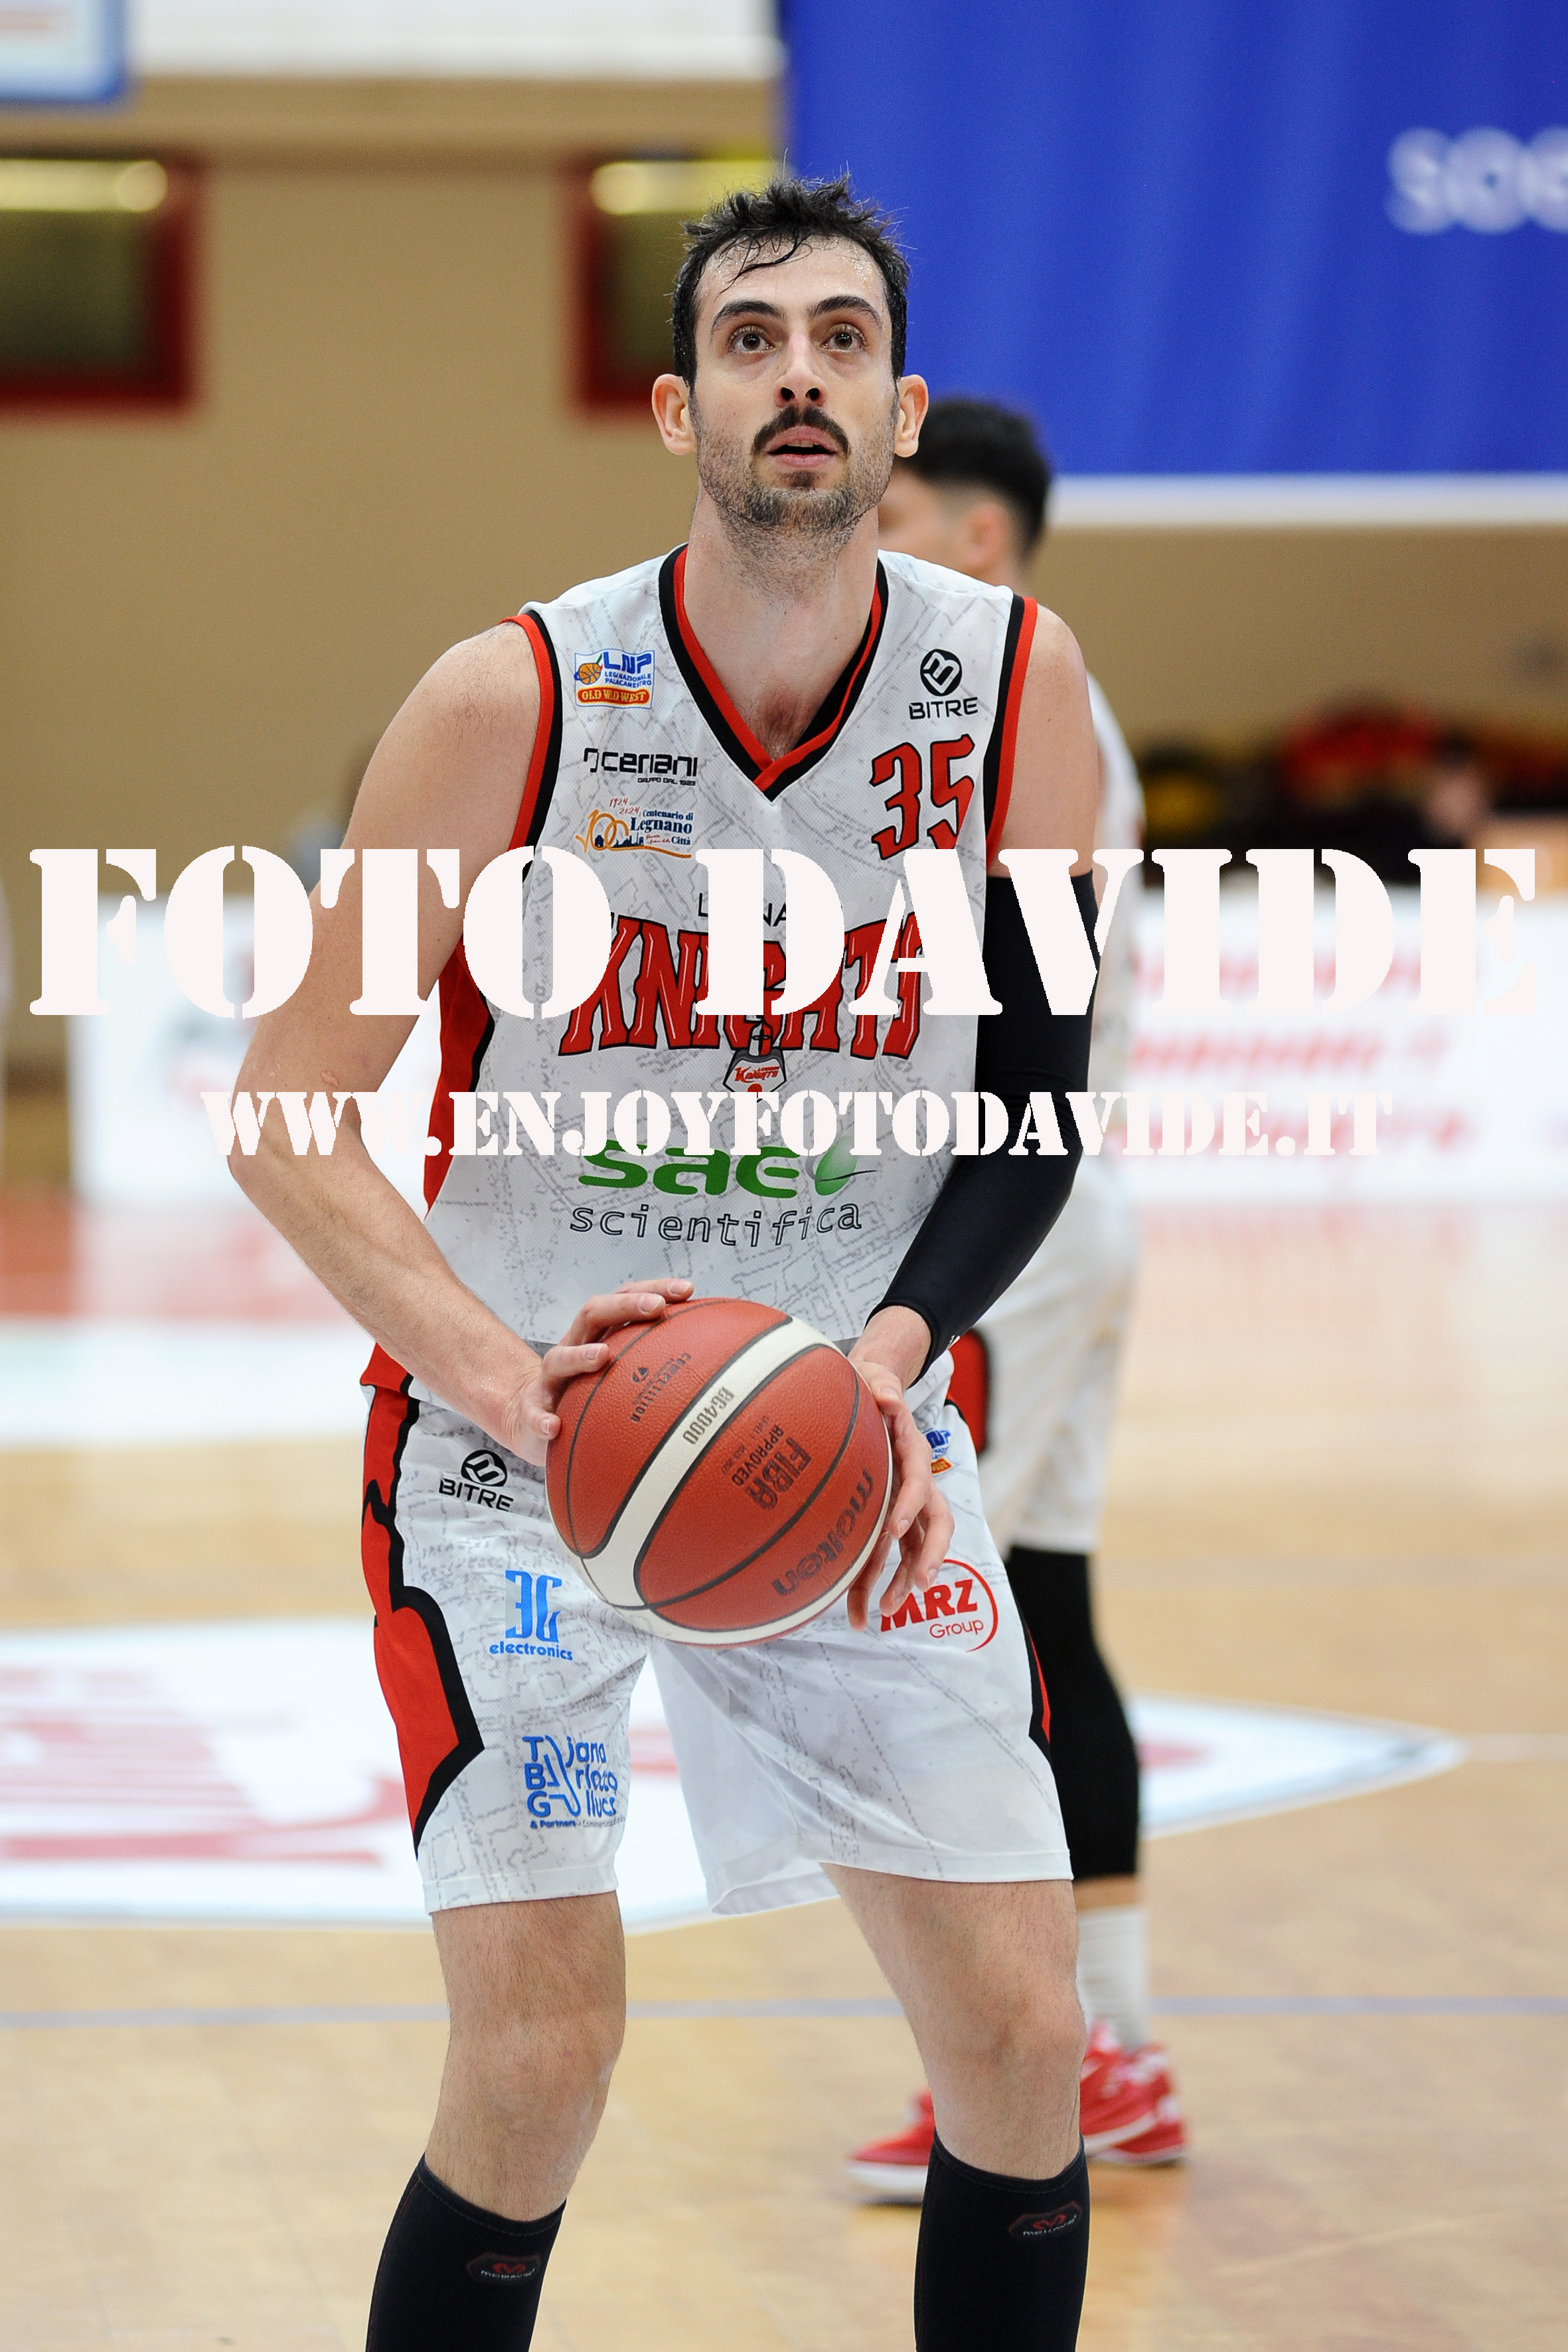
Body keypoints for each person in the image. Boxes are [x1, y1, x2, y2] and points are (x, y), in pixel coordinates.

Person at [232, 178, 1104, 2351]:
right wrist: (506, 1380)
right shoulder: (508, 697)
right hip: (510, 1455)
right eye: (748, 339)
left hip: (846, 1435)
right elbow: (284, 1112)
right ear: (674, 406)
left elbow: (1033, 1102)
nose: (795, 375)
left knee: (1020, 2037)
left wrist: (888, 1358)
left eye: (838, 340)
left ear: (901, 412)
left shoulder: (1016, 683)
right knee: (537, 2062)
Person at [846, 400, 1184, 2197]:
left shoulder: (1012, 713)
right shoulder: (1038, 707)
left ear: (977, 539)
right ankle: (1109, 2046)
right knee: (1048, 1618)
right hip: (1058, 1212)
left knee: (965, 1644)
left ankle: (1040, 2053)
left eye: (895, 515)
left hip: (1011, 1224)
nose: (866, 542)